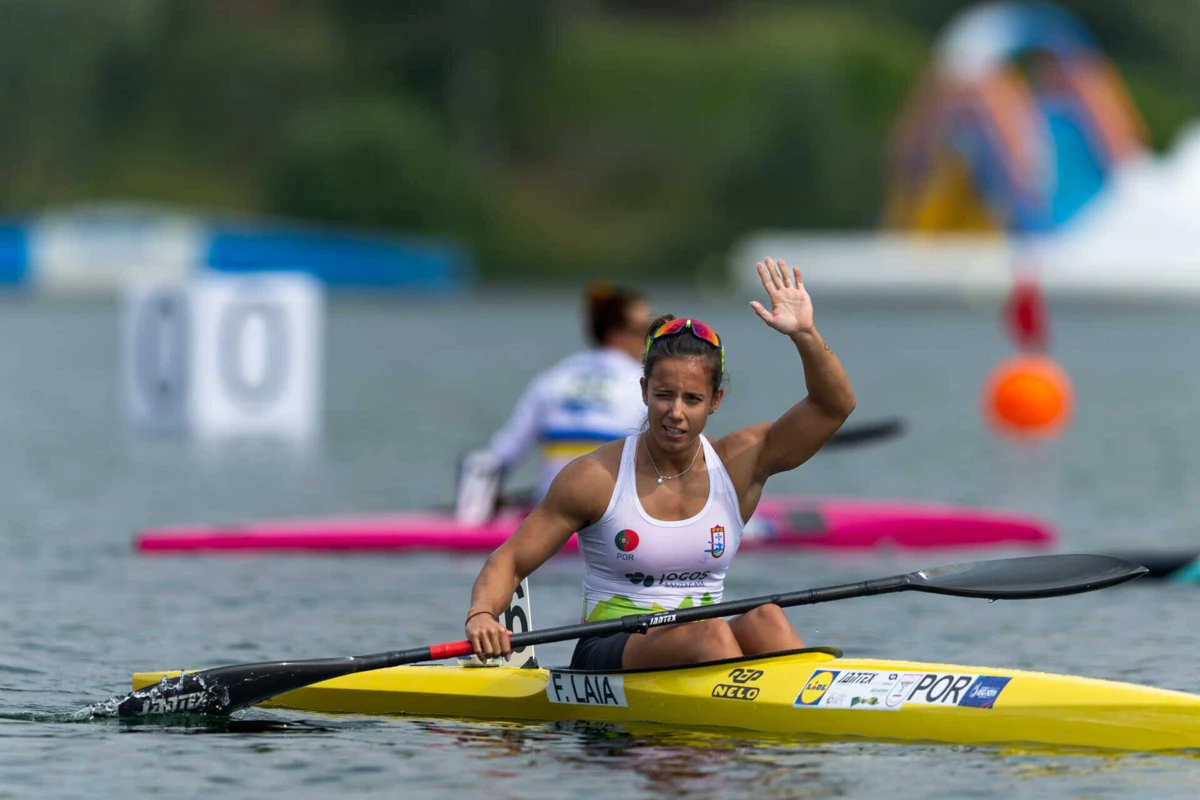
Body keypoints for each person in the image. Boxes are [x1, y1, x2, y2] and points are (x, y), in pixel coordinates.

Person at [464, 258, 856, 670]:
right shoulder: (596, 477)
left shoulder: (741, 461)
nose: (675, 413)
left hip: (704, 642)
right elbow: (509, 561)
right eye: (664, 395)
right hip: (608, 649)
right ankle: (741, 727)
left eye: (692, 399)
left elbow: (834, 406)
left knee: (767, 618)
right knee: (712, 631)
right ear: (644, 390)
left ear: (716, 401)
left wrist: (805, 335)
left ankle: (796, 716)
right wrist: (482, 616)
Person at [455, 284, 655, 524]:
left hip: (550, 517)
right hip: (612, 519)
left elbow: (499, 457)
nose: (653, 340)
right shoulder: (646, 386)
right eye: (646, 331)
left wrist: (487, 503)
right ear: (615, 333)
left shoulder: (553, 378)